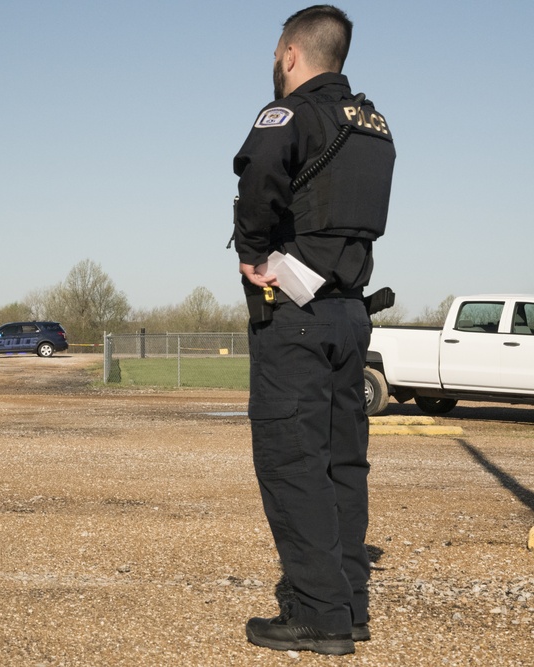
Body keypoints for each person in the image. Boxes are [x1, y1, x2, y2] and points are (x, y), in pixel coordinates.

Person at [230, 5, 396, 656]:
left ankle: (320, 616)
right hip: (351, 312)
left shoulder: (289, 116)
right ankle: (347, 605)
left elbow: (260, 175)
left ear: (290, 53)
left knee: (292, 461)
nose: (276, 65)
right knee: (341, 463)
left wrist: (251, 247)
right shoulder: (373, 124)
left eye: (277, 55)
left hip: (295, 316)